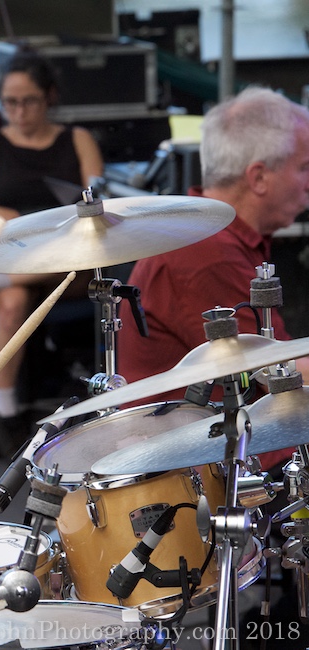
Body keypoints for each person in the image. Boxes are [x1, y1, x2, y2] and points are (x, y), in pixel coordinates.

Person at [117, 86, 309, 468]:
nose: (308, 180)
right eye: (304, 167)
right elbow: (285, 376)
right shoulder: (205, 253)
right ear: (258, 178)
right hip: (203, 472)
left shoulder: (210, 235)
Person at [0, 50, 104, 456]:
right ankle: (6, 413)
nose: (19, 111)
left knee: (44, 274)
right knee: (10, 301)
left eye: (28, 101)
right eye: (9, 103)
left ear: (49, 97)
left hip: (70, 260)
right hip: (18, 257)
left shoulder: (77, 140)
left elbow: (100, 199)